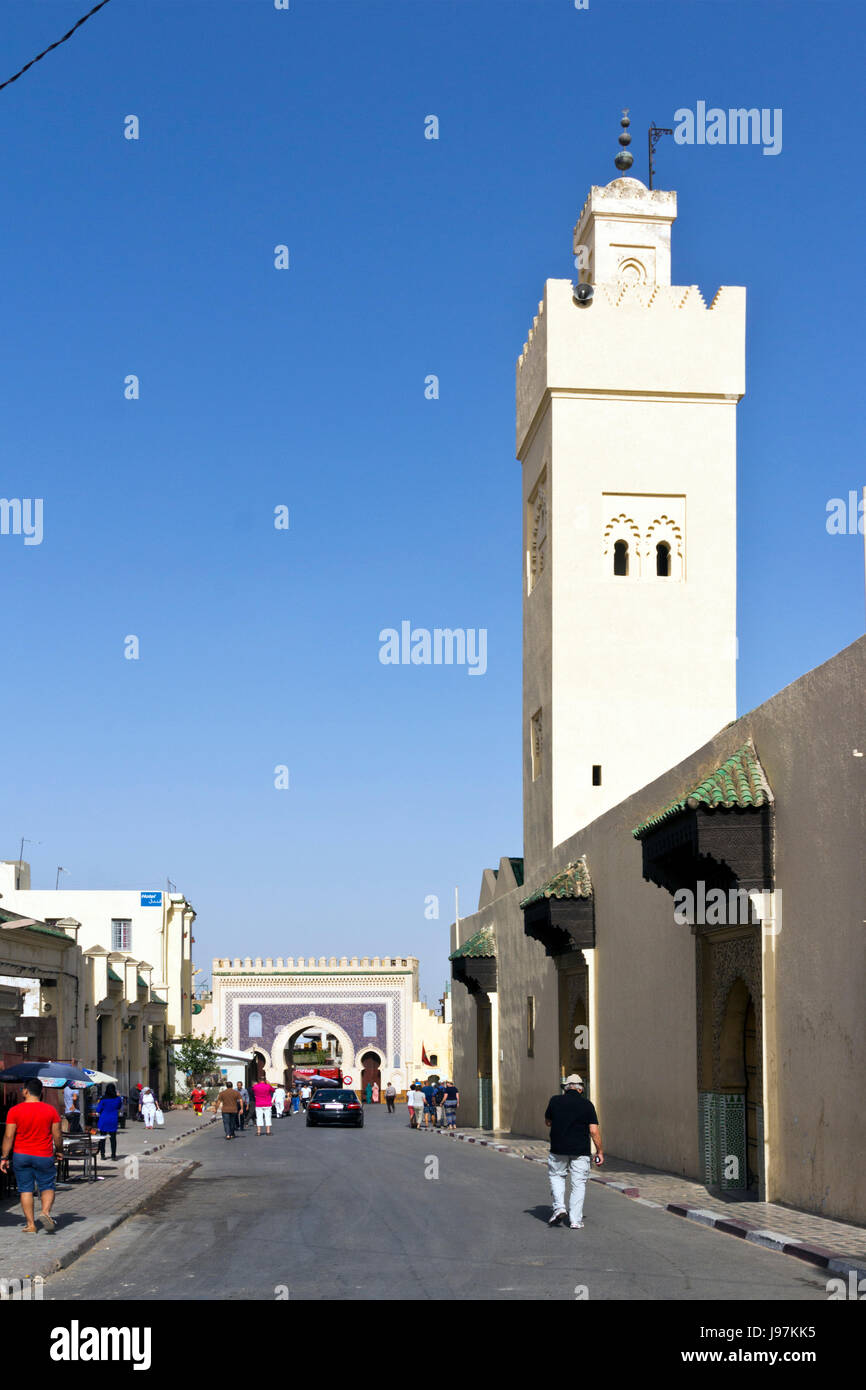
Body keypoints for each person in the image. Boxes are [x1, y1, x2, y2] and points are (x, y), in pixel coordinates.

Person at [0, 1078, 64, 1234]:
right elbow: (57, 1135)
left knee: (25, 1189)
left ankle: (31, 1225)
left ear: (26, 1091)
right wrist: (60, 1150)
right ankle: (45, 1212)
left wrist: (4, 1157)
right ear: (41, 1092)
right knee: (47, 1185)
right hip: (44, 1154)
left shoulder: (14, 1111)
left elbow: (9, 1136)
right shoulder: (51, 1110)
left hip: (21, 1155)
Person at [544, 1073, 603, 1230]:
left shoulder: (555, 1101)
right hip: (580, 1151)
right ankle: (575, 1220)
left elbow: (548, 1122)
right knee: (579, 1184)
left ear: (566, 1088)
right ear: (580, 1089)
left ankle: (559, 1208)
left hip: (558, 1149)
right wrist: (600, 1151)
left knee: (557, 1177)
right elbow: (594, 1131)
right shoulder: (587, 1105)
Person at [96, 1083, 123, 1160]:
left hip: (103, 1119)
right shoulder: (117, 1099)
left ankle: (102, 1155)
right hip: (113, 1119)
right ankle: (113, 1155)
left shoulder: (103, 1099)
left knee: (102, 1138)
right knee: (113, 1138)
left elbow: (98, 1110)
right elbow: (119, 1106)